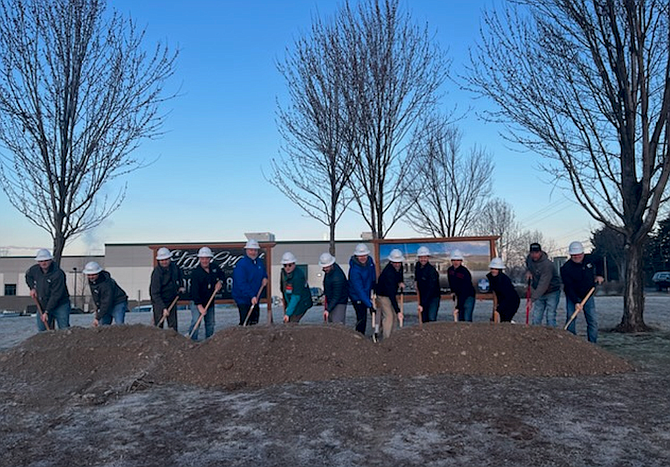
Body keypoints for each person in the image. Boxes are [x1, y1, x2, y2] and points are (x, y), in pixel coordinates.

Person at [561, 241, 604, 343]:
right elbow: (568, 287)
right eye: (574, 255)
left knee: (592, 320)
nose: (576, 257)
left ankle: (592, 344)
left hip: (588, 294)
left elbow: (600, 260)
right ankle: (572, 343)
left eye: (578, 255)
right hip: (573, 296)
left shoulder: (590, 259)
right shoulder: (566, 268)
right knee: (570, 318)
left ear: (583, 253)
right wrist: (576, 302)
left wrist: (599, 274)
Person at [25, 248, 71, 331]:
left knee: (64, 329)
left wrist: (47, 311)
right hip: (43, 304)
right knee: (42, 330)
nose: (43, 263)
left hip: (60, 304)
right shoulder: (34, 270)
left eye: (46, 260)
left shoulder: (58, 274)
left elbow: (56, 295)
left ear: (50, 260)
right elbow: (28, 276)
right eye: (41, 261)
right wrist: (32, 288)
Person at [188, 246, 225, 339]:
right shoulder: (196, 273)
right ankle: (192, 341)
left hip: (210, 301)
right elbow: (194, 291)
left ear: (210, 258)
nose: (205, 261)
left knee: (210, 323)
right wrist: (200, 306)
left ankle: (209, 342)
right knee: (196, 321)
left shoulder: (215, 268)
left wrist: (220, 282)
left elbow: (222, 275)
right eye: (202, 258)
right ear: (199, 259)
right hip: (197, 302)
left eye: (207, 258)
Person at [232, 239, 268, 326]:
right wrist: (251, 295)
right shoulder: (241, 264)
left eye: (255, 250)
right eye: (251, 250)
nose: (253, 252)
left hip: (256, 297)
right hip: (243, 298)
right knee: (246, 321)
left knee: (254, 321)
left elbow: (264, 273)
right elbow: (241, 283)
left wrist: (265, 278)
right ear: (247, 250)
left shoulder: (259, 262)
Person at [526, 242, 562, 327]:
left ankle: (552, 336)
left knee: (550, 316)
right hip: (539, 291)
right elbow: (528, 266)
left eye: (536, 253)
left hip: (552, 291)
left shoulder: (547, 265)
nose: (534, 255)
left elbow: (543, 284)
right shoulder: (529, 259)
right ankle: (535, 336)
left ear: (541, 252)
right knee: (536, 316)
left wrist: (532, 299)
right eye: (532, 253)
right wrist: (528, 271)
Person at [83, 261, 128, 326]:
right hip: (106, 304)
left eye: (93, 274)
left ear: (98, 273)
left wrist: (97, 318)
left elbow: (107, 301)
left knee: (119, 324)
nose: (91, 277)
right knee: (104, 325)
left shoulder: (106, 284)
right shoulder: (92, 281)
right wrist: (97, 307)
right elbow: (96, 295)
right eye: (89, 275)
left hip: (118, 302)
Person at [149, 247, 184, 331]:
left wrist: (181, 286)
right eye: (162, 260)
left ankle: (173, 341)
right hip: (159, 301)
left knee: (173, 325)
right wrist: (163, 308)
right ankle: (158, 341)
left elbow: (180, 277)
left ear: (169, 259)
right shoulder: (157, 273)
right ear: (159, 260)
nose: (164, 262)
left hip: (172, 299)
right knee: (159, 324)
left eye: (166, 259)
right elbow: (155, 293)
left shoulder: (174, 268)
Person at [375, 249, 405, 338]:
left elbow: (399, 276)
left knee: (394, 316)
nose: (397, 264)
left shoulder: (400, 267)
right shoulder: (388, 273)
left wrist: (400, 282)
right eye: (394, 262)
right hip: (383, 295)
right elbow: (391, 294)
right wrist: (398, 310)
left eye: (398, 262)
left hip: (390, 293)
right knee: (389, 316)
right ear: (391, 261)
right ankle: (386, 338)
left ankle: (393, 337)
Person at [348, 243, 376, 334]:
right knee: (361, 317)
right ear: (356, 256)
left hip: (367, 291)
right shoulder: (354, 271)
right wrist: (369, 305)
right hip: (357, 296)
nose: (363, 258)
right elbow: (359, 290)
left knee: (366, 316)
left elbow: (372, 273)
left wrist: (373, 283)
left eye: (364, 255)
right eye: (360, 256)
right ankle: (359, 335)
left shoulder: (370, 261)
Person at [279, 252, 313, 323]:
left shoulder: (298, 277)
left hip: (301, 302)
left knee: (292, 321)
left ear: (294, 264)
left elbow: (296, 297)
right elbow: (283, 289)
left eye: (290, 265)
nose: (287, 267)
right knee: (288, 320)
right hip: (291, 300)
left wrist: (288, 313)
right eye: (285, 265)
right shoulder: (283, 274)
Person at [486, 257, 520, 322]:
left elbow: (508, 297)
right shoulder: (489, 277)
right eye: (492, 268)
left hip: (511, 301)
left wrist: (499, 309)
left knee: (505, 319)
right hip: (501, 300)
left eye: (496, 269)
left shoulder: (504, 280)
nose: (493, 271)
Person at [319, 252, 349, 324]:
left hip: (339, 302)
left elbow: (337, 296)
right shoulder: (329, 272)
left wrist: (328, 309)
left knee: (337, 323)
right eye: (324, 267)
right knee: (331, 321)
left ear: (331, 264)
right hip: (331, 300)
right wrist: (325, 295)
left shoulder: (338, 277)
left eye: (327, 267)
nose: (325, 269)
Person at [447, 249, 476, 322]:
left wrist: (458, 306)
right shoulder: (450, 270)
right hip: (459, 296)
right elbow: (451, 282)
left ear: (461, 261)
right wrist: (453, 291)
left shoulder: (465, 272)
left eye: (458, 260)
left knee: (466, 318)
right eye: (454, 260)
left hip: (468, 295)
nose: (456, 262)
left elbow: (465, 289)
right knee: (460, 318)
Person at [414, 246, 441, 323]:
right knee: (424, 318)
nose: (423, 259)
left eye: (425, 257)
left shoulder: (432, 271)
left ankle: (432, 334)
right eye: (421, 257)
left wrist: (422, 304)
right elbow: (417, 277)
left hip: (433, 297)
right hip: (423, 295)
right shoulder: (418, 267)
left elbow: (430, 289)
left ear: (428, 258)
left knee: (431, 318)